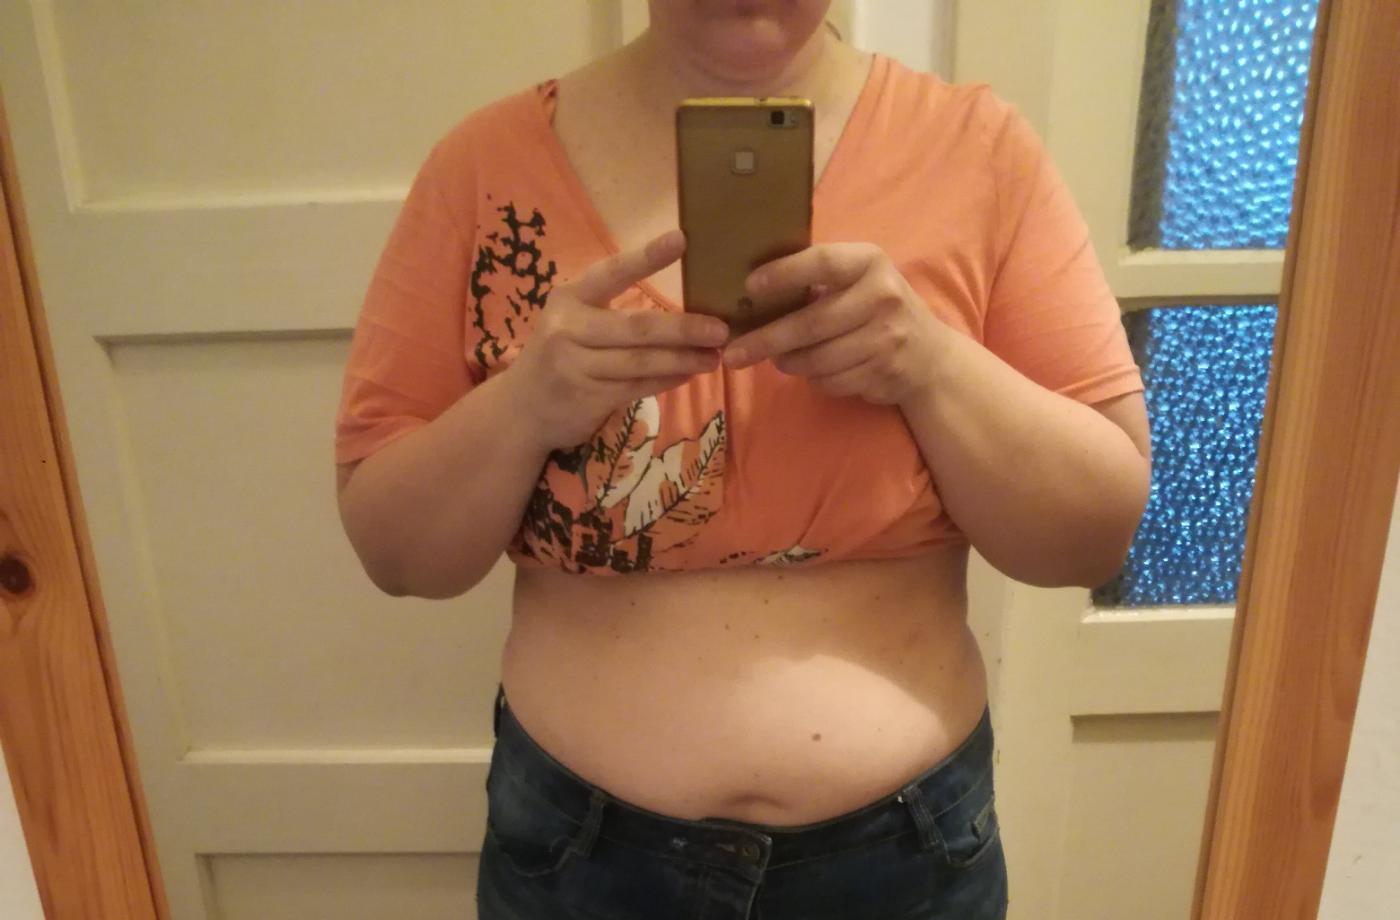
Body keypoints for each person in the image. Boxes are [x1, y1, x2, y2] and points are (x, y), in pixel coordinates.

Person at [334, 2, 1152, 917]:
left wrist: (931, 365)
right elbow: (398, 554)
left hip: (905, 866)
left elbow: (1092, 536)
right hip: (579, 866)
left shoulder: (978, 152)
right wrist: (524, 406)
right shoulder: (484, 168)